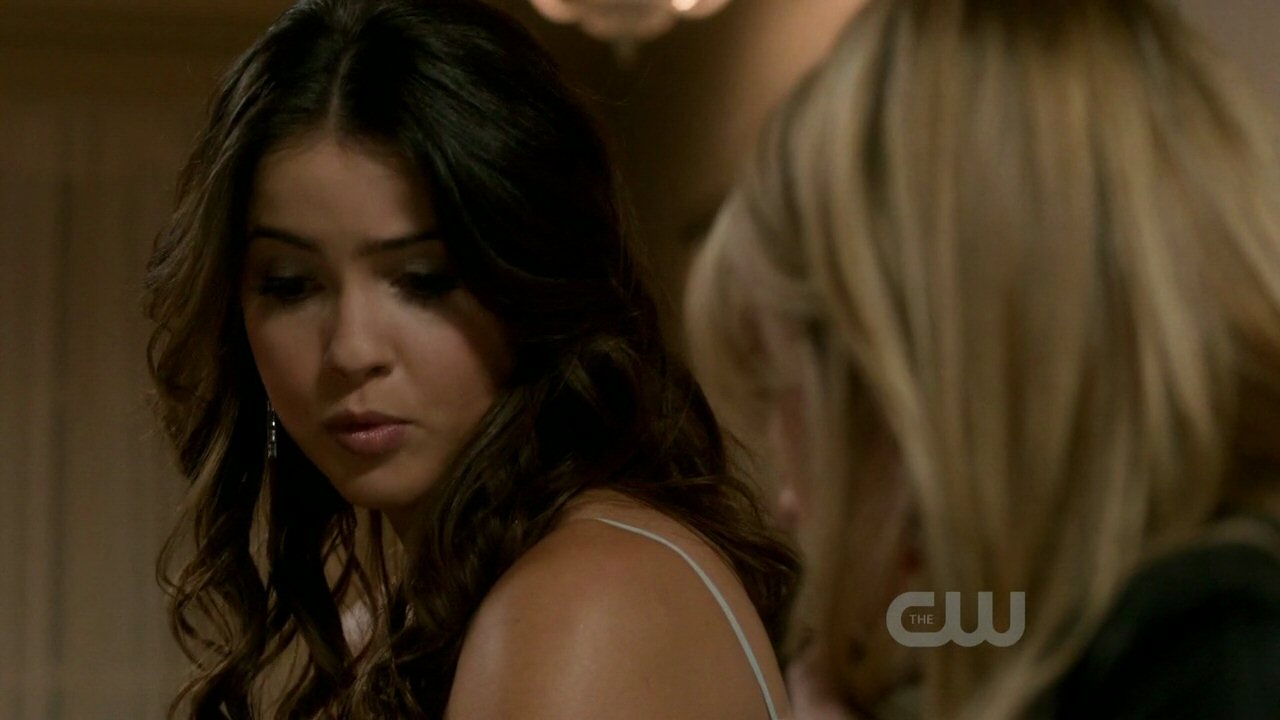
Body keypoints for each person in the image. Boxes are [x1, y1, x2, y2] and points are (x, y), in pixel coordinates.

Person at [142, 0, 798, 717]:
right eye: (291, 284)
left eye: (424, 279)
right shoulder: (487, 587)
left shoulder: (581, 597)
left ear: (532, 277)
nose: (351, 350)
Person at [684, 0, 1280, 718]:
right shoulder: (1076, 611)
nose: (785, 500)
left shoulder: (1213, 652)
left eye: (785, 390)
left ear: (912, 381)